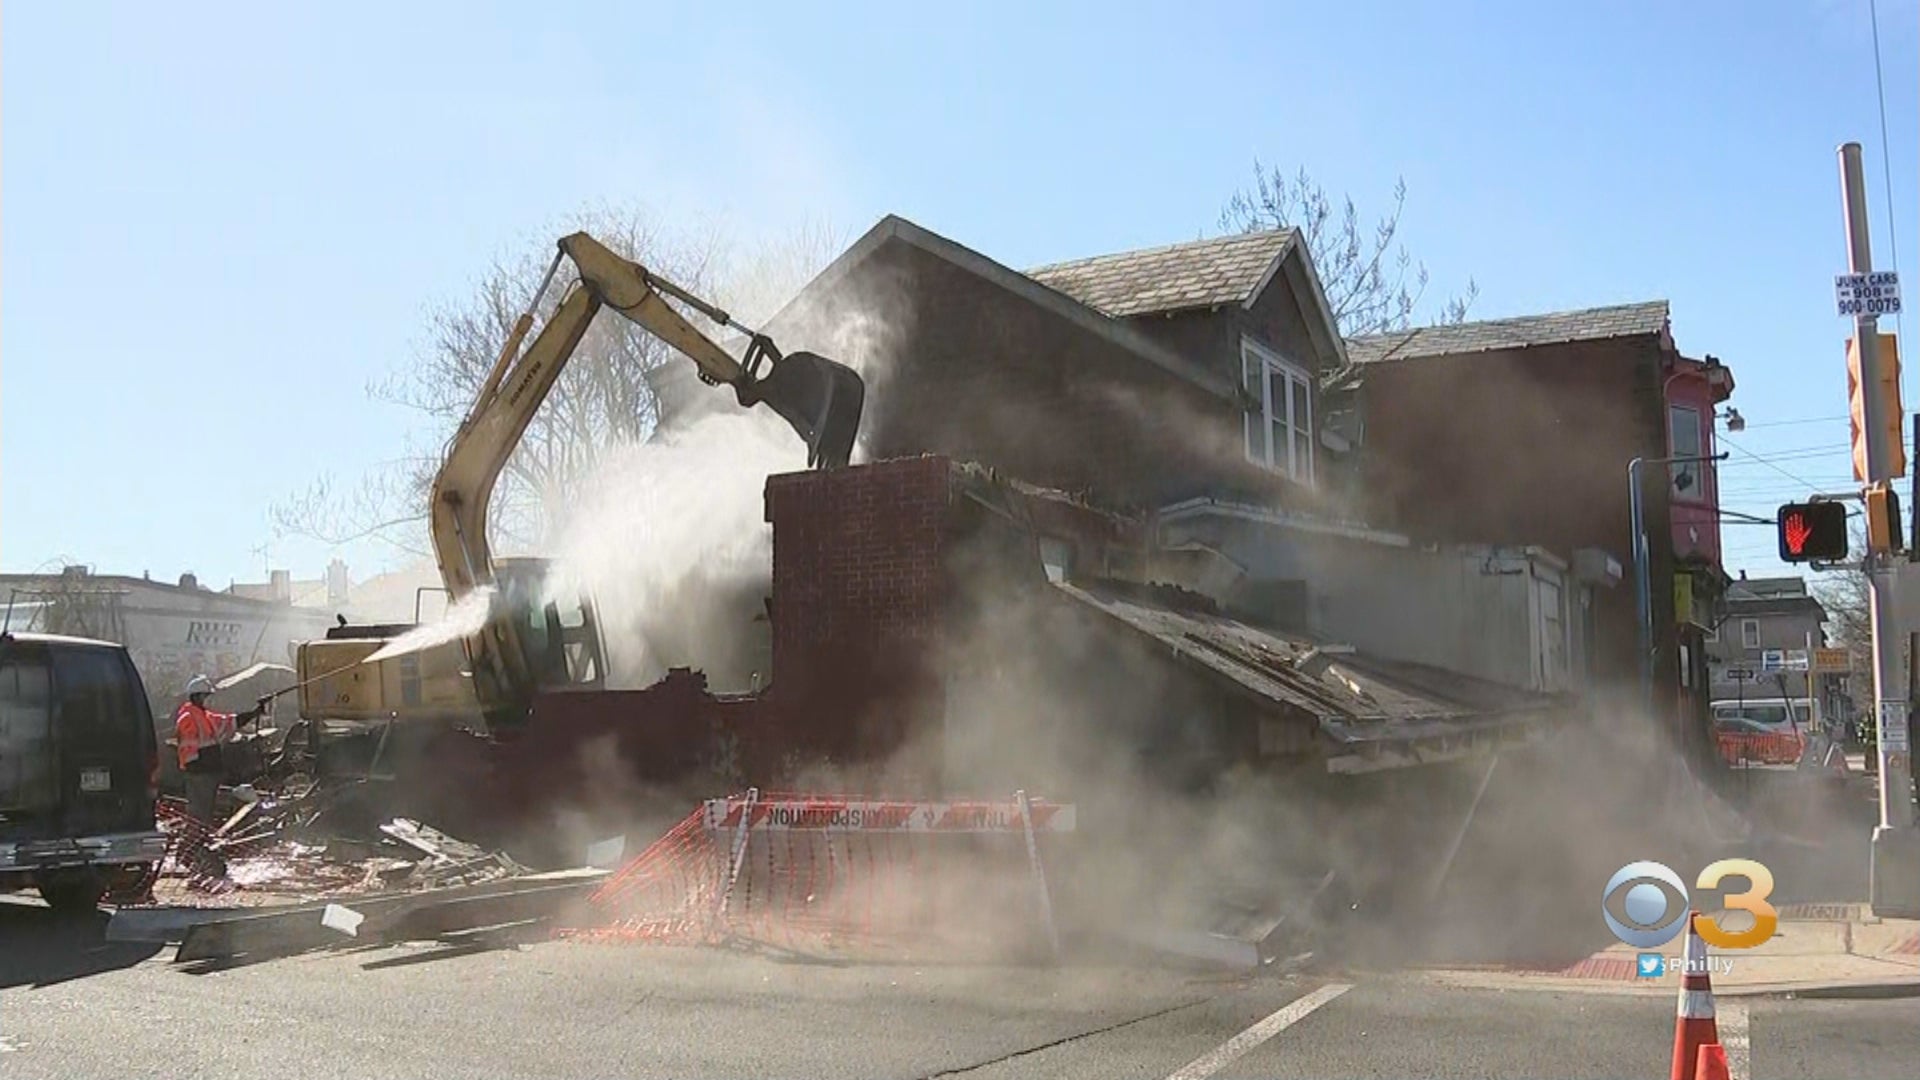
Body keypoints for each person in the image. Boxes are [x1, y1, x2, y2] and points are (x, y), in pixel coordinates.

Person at [174, 675, 265, 824]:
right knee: (199, 813)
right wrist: (197, 769)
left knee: (206, 812)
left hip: (209, 772)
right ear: (196, 696)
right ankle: (195, 842)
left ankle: (202, 841)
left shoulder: (204, 716)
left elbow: (230, 721)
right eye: (206, 695)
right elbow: (187, 749)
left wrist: (254, 713)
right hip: (199, 772)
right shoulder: (188, 718)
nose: (208, 699)